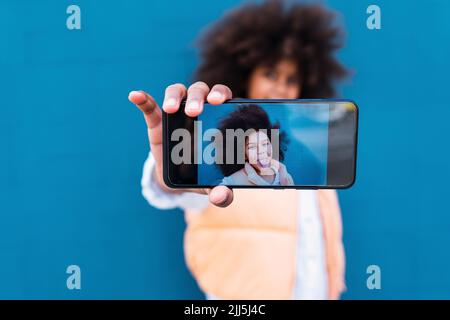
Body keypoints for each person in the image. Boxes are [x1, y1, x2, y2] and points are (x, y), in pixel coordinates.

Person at [128, 0, 349, 299]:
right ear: (245, 71)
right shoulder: (214, 142)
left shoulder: (301, 155)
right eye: (270, 74)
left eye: (291, 79)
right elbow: (171, 189)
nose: (281, 88)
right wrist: (167, 172)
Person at [216, 104, 294, 186]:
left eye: (265, 144)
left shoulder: (284, 175)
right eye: (252, 147)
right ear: (243, 154)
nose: (261, 151)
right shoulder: (231, 182)